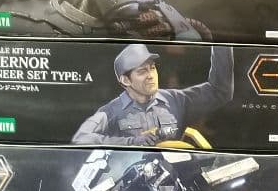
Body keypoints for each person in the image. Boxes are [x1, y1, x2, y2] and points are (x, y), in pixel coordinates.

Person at [72, 44, 234, 147]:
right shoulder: (110, 112)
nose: (150, 75)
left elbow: (220, 92)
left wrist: (222, 44)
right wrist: (131, 142)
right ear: (125, 80)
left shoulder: (175, 100)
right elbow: (81, 139)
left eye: (152, 68)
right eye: (142, 71)